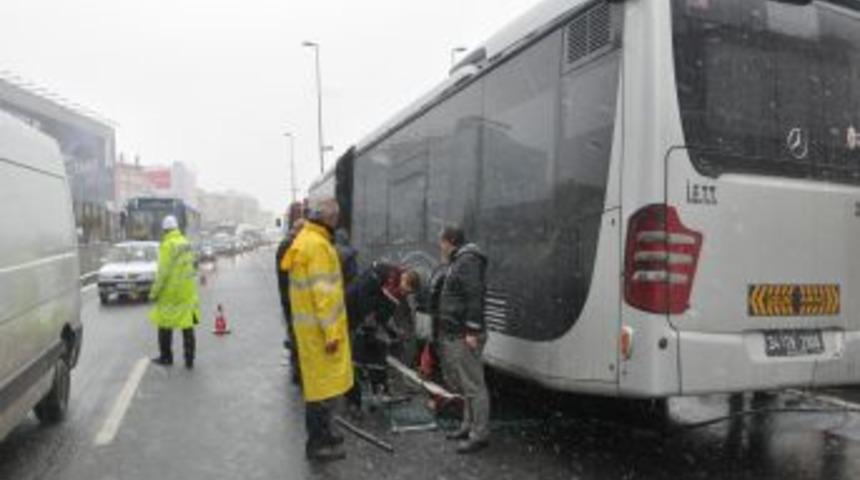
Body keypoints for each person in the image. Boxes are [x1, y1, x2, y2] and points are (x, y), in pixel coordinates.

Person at [280, 198, 353, 462]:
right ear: (329, 219)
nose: (337, 223)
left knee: (321, 387)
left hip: (309, 330)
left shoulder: (306, 240)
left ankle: (325, 433)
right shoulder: (318, 246)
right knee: (321, 390)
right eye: (335, 219)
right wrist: (332, 333)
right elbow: (325, 296)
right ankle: (317, 444)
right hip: (320, 333)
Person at [437, 225, 490, 454]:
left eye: (442, 243)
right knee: (468, 385)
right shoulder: (460, 260)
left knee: (474, 386)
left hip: (465, 334)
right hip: (458, 332)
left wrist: (471, 330)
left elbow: (474, 296)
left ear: (450, 241)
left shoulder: (467, 260)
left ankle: (479, 435)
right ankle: (468, 426)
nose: (441, 247)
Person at [344, 262, 421, 409]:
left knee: (377, 350)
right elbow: (363, 294)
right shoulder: (381, 273)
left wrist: (392, 332)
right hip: (351, 313)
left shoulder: (397, 294)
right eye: (406, 290)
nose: (404, 294)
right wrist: (370, 322)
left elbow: (385, 314)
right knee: (353, 357)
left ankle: (379, 390)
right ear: (404, 278)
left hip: (366, 320)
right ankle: (353, 399)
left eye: (407, 293)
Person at [149, 215, 201, 369]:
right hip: (187, 291)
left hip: (170, 293)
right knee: (187, 326)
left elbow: (163, 272)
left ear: (165, 230)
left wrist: (154, 292)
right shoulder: (186, 243)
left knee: (164, 324)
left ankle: (166, 357)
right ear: (177, 228)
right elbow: (193, 266)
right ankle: (189, 359)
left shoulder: (167, 245)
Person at [276, 218, 305, 385]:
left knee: (295, 334)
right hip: (291, 298)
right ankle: (298, 373)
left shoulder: (287, 244)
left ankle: (298, 371)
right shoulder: (289, 246)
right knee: (296, 336)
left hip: (288, 297)